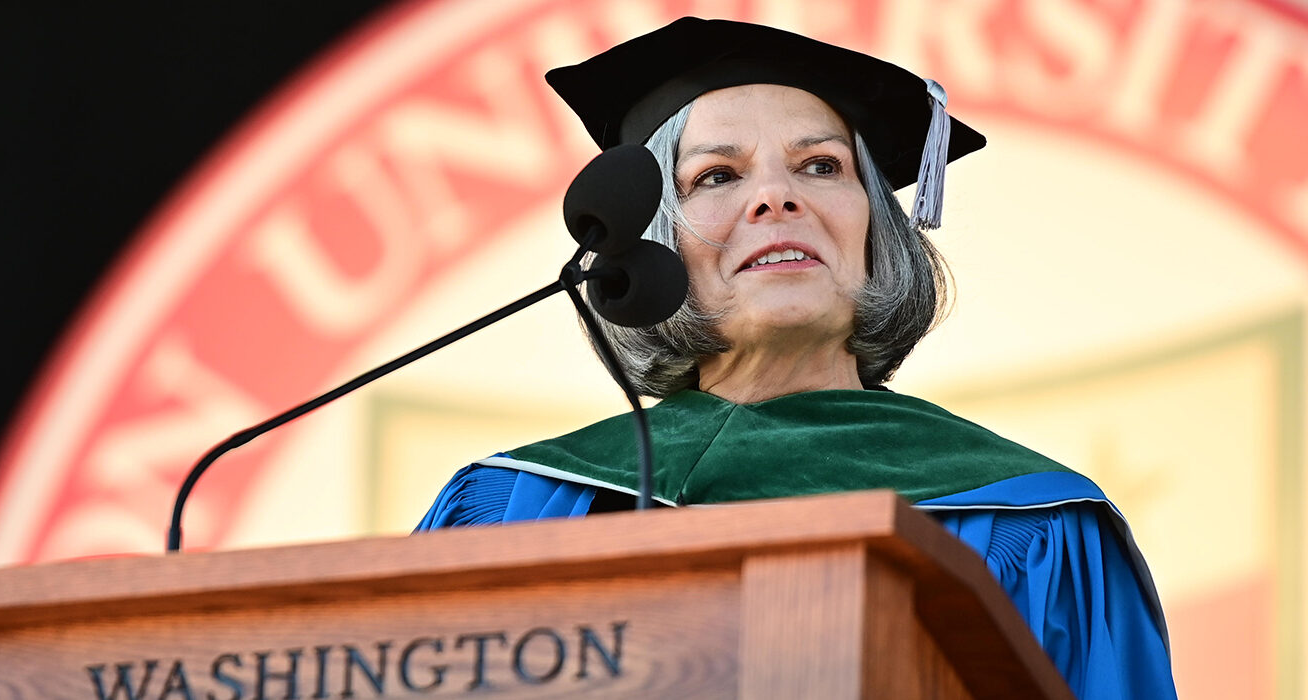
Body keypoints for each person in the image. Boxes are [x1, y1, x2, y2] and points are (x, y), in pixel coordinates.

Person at [415, 17, 1176, 699]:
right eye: (717, 175)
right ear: (650, 248)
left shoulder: (1031, 522)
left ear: (878, 232)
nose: (776, 198)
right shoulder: (513, 507)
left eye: (820, 166)